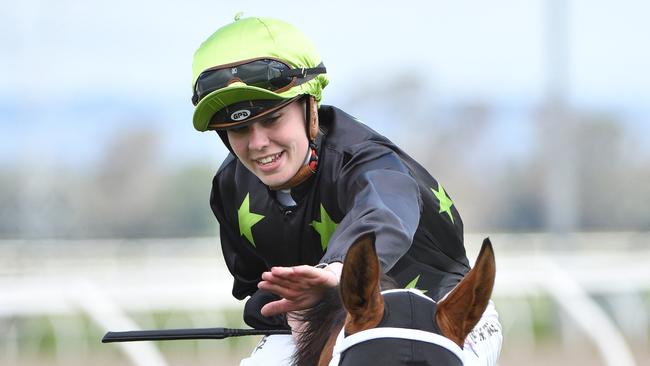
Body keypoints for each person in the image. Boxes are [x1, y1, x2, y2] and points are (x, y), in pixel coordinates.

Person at [191, 15, 502, 366]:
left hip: (440, 312)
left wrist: (336, 275)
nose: (258, 143)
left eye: (272, 119)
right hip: (331, 323)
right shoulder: (231, 186)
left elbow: (384, 212)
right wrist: (289, 310)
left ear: (310, 108)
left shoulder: (369, 161)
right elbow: (258, 289)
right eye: (240, 129)